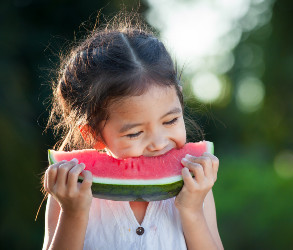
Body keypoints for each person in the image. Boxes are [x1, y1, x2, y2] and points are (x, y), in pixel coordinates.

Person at [42, 14, 223, 250]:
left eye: (170, 121)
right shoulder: (68, 194)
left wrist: (192, 210)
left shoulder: (196, 189)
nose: (158, 143)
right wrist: (73, 213)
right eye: (135, 133)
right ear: (93, 134)